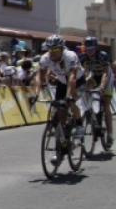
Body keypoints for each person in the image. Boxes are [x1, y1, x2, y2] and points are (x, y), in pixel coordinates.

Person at [30, 34, 85, 164]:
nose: (52, 53)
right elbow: (39, 76)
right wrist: (35, 94)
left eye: (55, 50)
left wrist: (68, 97)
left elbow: (72, 78)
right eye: (50, 50)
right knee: (58, 117)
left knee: (70, 102)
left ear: (61, 49)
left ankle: (79, 125)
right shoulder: (45, 58)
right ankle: (60, 150)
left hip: (78, 80)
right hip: (62, 82)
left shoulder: (70, 56)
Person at [79, 36, 113, 144]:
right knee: (87, 94)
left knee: (106, 104)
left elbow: (106, 73)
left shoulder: (103, 55)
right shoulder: (83, 58)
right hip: (93, 78)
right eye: (88, 49)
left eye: (92, 49)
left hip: (106, 77)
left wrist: (102, 87)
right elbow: (84, 73)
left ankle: (110, 134)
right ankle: (92, 116)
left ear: (96, 48)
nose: (90, 52)